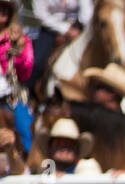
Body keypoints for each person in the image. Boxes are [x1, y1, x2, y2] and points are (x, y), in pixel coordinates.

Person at [29, 0, 89, 98]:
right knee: (36, 62)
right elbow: (40, 14)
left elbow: (87, 12)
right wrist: (65, 29)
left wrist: (79, 27)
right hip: (50, 28)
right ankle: (29, 97)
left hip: (77, 29)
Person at [0, 0, 34, 154]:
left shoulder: (20, 39)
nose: (2, 13)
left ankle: (29, 162)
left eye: (5, 10)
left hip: (8, 96)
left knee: (25, 132)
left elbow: (24, 73)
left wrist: (17, 50)